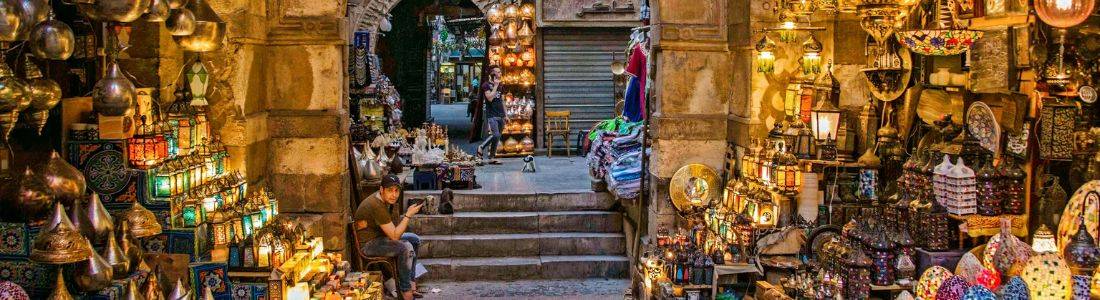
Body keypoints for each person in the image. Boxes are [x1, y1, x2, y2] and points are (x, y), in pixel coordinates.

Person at [355, 175, 424, 299]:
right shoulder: (376, 205)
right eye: (390, 190)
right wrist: (408, 215)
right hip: (368, 245)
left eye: (396, 190)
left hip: (380, 237)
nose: (394, 195)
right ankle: (405, 290)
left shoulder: (386, 201)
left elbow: (393, 232)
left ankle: (411, 283)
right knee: (405, 247)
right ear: (381, 190)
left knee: (414, 240)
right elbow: (395, 235)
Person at [476, 65, 505, 164]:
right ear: (492, 73)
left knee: (497, 137)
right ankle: (481, 147)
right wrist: (496, 86)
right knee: (495, 134)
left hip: (501, 114)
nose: (500, 73)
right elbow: (490, 98)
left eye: (500, 72)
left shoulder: (501, 85)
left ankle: (492, 157)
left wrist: (506, 115)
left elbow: (502, 101)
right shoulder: (486, 85)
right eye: (498, 72)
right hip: (492, 114)